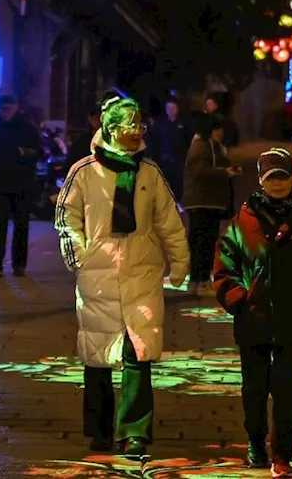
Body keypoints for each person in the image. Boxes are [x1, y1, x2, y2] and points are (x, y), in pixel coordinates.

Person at [54, 95, 190, 459]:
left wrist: (180, 262)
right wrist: (80, 257)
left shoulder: (149, 174)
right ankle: (98, 430)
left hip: (141, 275)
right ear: (111, 129)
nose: (137, 134)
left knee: (138, 353)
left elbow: (168, 223)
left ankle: (135, 433)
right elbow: (67, 219)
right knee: (97, 356)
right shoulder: (83, 172)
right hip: (97, 276)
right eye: (130, 127)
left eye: (140, 127)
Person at [213, 148, 292, 478]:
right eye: (271, 177)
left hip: (291, 320)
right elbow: (225, 266)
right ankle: (256, 440)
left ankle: (282, 453)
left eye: (282, 176)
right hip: (252, 319)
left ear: (291, 179)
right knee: (254, 389)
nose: (278, 183)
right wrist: (238, 298)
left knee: (285, 390)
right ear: (260, 181)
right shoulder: (243, 221)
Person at [0, 95, 42, 278]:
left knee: (21, 226)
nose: (5, 113)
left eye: (8, 109)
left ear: (16, 108)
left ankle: (19, 264)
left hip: (22, 185)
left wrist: (23, 153)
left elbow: (38, 152)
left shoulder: (28, 129)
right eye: (2, 109)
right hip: (0, 186)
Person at [183, 113, 238, 296]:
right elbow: (200, 171)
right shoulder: (201, 146)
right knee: (202, 242)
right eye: (218, 129)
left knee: (204, 242)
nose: (221, 133)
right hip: (202, 202)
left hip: (209, 202)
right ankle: (201, 281)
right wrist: (224, 172)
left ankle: (198, 281)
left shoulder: (213, 147)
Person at [150, 99, 191, 198]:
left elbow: (188, 140)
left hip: (179, 160)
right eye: (168, 108)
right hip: (164, 160)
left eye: (173, 108)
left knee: (178, 186)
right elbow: (154, 141)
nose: (171, 110)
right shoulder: (160, 123)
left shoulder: (184, 123)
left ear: (177, 109)